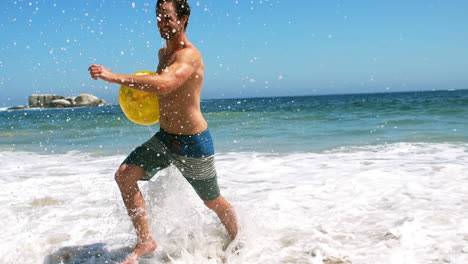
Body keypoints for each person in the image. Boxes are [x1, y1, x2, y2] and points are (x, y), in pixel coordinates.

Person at [88, 1, 238, 263]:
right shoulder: (163, 54)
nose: (161, 23)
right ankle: (146, 240)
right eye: (158, 17)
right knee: (124, 176)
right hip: (166, 138)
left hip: (193, 143)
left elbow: (166, 85)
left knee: (212, 201)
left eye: (167, 17)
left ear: (183, 18)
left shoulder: (189, 56)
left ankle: (239, 240)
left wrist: (114, 77)